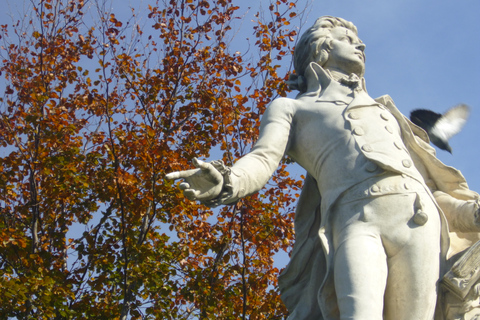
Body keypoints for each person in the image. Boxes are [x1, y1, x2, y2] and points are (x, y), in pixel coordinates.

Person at [166, 16, 480, 320]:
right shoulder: (293, 107)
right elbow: (262, 159)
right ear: (322, 50)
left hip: (420, 222)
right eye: (348, 40)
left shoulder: (384, 109)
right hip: (356, 221)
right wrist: (227, 180)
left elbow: (426, 187)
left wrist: (470, 215)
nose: (361, 46)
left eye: (359, 42)